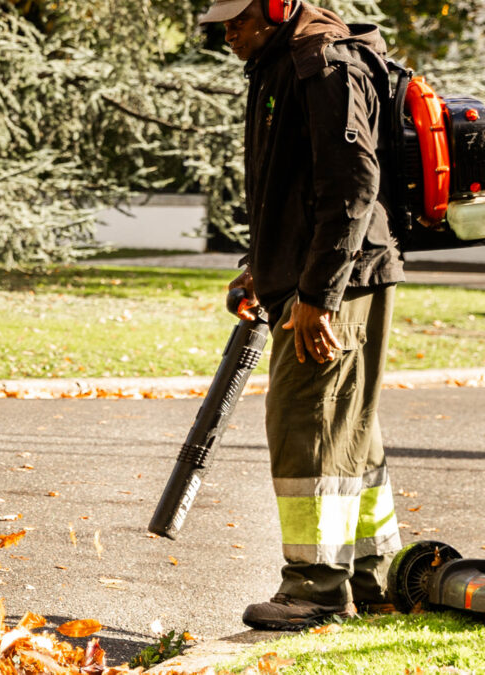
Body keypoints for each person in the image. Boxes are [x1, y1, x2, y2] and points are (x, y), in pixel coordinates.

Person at [197, 0, 405, 630]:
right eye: (221, 23)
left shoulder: (325, 64)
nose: (226, 32)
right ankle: (374, 576)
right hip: (313, 278)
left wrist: (318, 296)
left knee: (304, 421)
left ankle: (314, 589)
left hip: (340, 283)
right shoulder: (280, 64)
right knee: (347, 428)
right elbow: (287, 187)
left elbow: (350, 186)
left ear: (277, 8)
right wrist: (262, 267)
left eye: (237, 19)